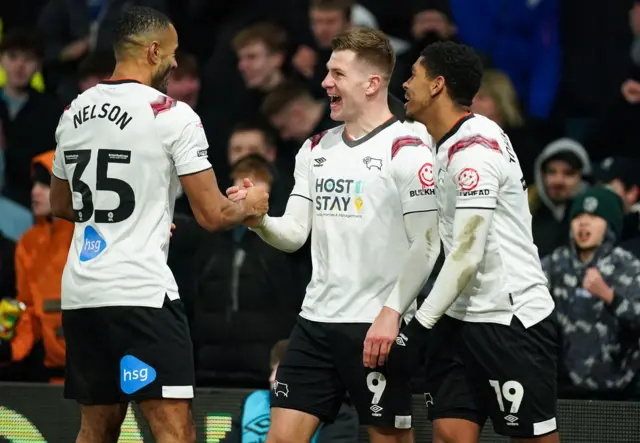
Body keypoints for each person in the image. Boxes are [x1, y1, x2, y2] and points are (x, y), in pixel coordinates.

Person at [49, 6, 269, 443]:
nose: (173, 63)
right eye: (171, 53)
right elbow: (213, 216)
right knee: (174, 429)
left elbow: (61, 203)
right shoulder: (172, 115)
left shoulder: (73, 111)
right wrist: (253, 204)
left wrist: (138, 216)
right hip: (141, 297)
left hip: (81, 294)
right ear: (153, 51)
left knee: (96, 428)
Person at [228, 27, 440, 443]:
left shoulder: (409, 147)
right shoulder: (315, 148)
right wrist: (258, 220)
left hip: (376, 325)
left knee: (389, 439)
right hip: (315, 322)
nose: (325, 82)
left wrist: (392, 311)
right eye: (327, 71)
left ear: (372, 83)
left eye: (338, 74)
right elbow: (293, 234)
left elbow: (428, 243)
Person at [400, 41, 560, 442]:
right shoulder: (444, 140)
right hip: (459, 318)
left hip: (509, 318)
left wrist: (418, 326)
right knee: (450, 435)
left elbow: (468, 253)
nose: (405, 84)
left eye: (413, 75)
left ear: (437, 86)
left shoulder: (475, 152)